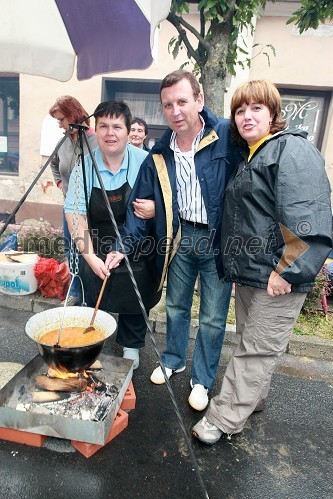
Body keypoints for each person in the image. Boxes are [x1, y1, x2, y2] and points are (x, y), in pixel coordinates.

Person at [192, 79, 333, 444]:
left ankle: (223, 419)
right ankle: (251, 399)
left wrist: (288, 270)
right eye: (240, 110)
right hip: (254, 274)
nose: (246, 116)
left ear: (273, 113)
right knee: (250, 343)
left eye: (256, 108)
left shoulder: (291, 150)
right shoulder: (253, 154)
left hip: (279, 276)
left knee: (256, 349)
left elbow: (307, 219)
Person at [108, 70, 240, 411]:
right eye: (168, 105)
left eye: (182, 101)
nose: (176, 110)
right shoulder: (160, 151)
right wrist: (122, 247)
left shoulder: (226, 135)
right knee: (177, 305)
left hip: (216, 239)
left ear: (199, 99)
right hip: (179, 237)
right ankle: (173, 359)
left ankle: (202, 379)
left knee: (212, 317)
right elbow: (139, 207)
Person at [64, 101, 160, 370]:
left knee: (135, 298)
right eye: (103, 126)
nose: (110, 133)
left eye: (117, 126)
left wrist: (156, 208)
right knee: (96, 297)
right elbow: (75, 213)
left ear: (129, 132)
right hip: (96, 243)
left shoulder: (146, 163)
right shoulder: (84, 166)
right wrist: (90, 256)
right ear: (95, 129)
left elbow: (168, 199)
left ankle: (131, 345)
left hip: (138, 246)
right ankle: (96, 344)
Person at [49, 95, 98, 305]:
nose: (60, 125)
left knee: (89, 249)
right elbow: (53, 164)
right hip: (69, 206)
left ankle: (92, 296)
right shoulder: (63, 141)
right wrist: (61, 185)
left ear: (73, 115)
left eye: (61, 119)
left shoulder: (95, 140)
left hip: (91, 207)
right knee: (71, 248)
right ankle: (76, 292)